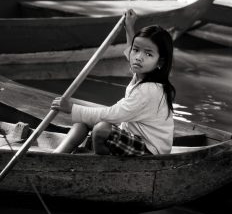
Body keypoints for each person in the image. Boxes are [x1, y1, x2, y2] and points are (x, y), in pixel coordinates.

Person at [51, 9, 176, 156]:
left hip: (150, 150)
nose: (138, 57)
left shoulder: (150, 90)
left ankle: (98, 160)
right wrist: (129, 27)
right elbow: (131, 50)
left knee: (101, 129)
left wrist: (72, 109)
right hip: (132, 137)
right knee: (81, 123)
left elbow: (114, 115)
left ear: (160, 62)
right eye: (136, 50)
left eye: (148, 54)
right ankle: (57, 155)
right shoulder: (142, 73)